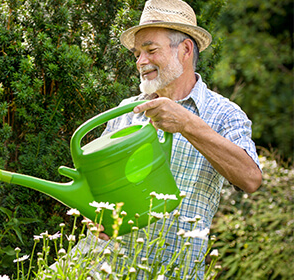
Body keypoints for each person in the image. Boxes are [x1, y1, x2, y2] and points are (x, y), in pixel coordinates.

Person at [60, 0, 262, 278]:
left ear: (186, 50)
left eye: (151, 50)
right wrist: (94, 216)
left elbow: (251, 178)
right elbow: (99, 190)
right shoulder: (127, 110)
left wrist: (188, 124)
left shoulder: (224, 114)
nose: (141, 62)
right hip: (106, 269)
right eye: (137, 54)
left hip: (173, 271)